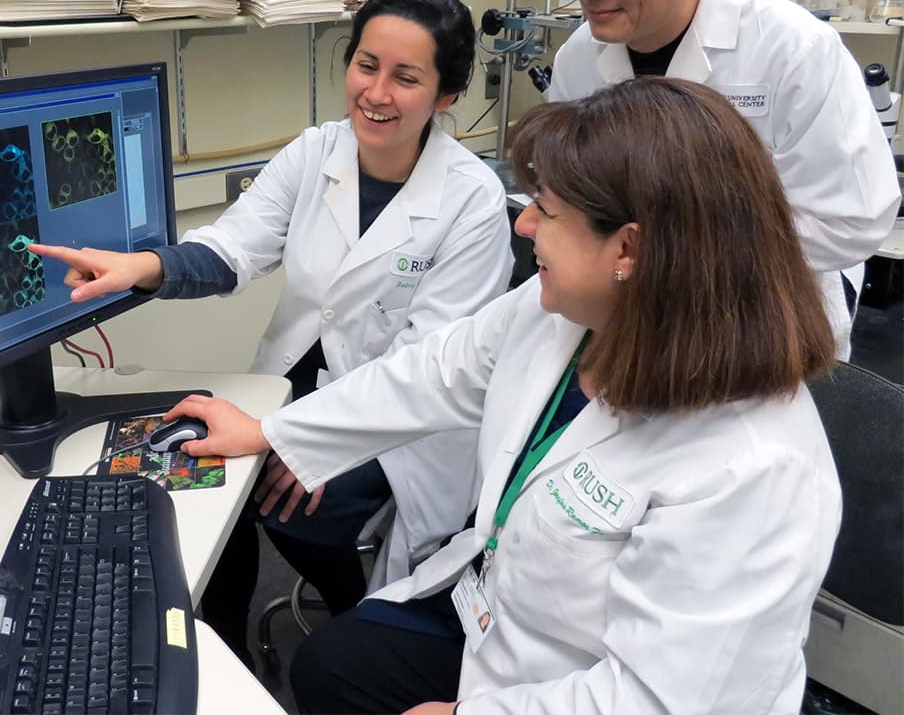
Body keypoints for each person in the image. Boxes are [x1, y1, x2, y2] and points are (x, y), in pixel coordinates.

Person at [171, 77, 842, 714]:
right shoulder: (564, 315)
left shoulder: (753, 468)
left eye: (546, 212)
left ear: (628, 250)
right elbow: (432, 371)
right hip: (503, 609)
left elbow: (661, 699)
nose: (524, 229)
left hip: (593, 683)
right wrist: (270, 431)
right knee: (329, 668)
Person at [30, 0, 513, 664]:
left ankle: (366, 623)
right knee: (205, 462)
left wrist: (302, 440)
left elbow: (421, 370)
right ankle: (224, 641)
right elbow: (232, 250)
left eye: (406, 78)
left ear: (446, 95)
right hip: (296, 377)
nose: (376, 93)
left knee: (289, 496)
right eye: (366, 65)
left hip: (407, 420)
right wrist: (141, 267)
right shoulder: (316, 152)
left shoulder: (473, 202)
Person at [546, 0, 899, 360]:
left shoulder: (793, 49)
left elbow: (853, 221)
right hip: (627, 315)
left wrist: (674, 243)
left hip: (762, 321)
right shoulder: (579, 56)